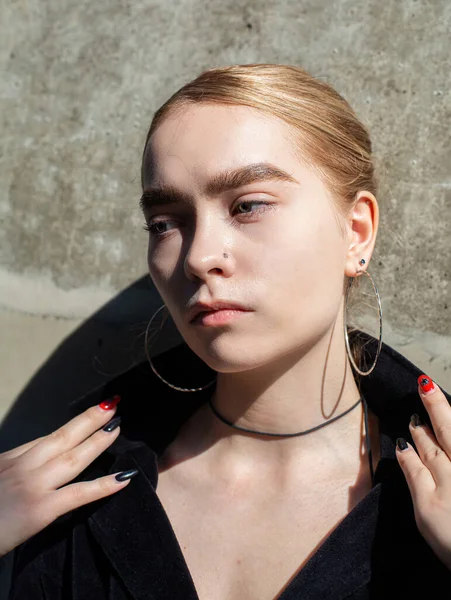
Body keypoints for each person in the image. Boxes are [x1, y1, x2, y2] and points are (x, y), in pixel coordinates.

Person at [2, 63, 451, 599]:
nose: (197, 257)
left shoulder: (433, 498)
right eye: (166, 222)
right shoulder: (74, 489)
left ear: (355, 233)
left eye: (248, 206)